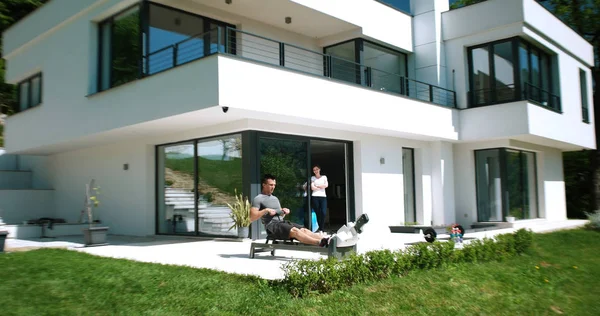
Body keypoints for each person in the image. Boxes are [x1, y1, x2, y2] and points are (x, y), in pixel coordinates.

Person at [251, 174, 332, 247]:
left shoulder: (274, 198)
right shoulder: (258, 198)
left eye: (274, 185)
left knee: (304, 230)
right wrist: (265, 210)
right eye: (270, 185)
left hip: (282, 223)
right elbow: (252, 217)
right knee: (295, 231)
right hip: (272, 226)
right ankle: (319, 242)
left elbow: (281, 215)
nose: (273, 187)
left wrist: (284, 211)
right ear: (264, 185)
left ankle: (328, 239)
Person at [310, 165, 328, 233]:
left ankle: (321, 228)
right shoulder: (312, 178)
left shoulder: (324, 177)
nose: (315, 171)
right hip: (315, 196)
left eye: (316, 169)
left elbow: (326, 185)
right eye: (314, 170)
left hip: (323, 196)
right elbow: (312, 188)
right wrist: (321, 186)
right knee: (318, 213)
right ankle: (321, 229)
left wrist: (316, 186)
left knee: (323, 212)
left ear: (319, 169)